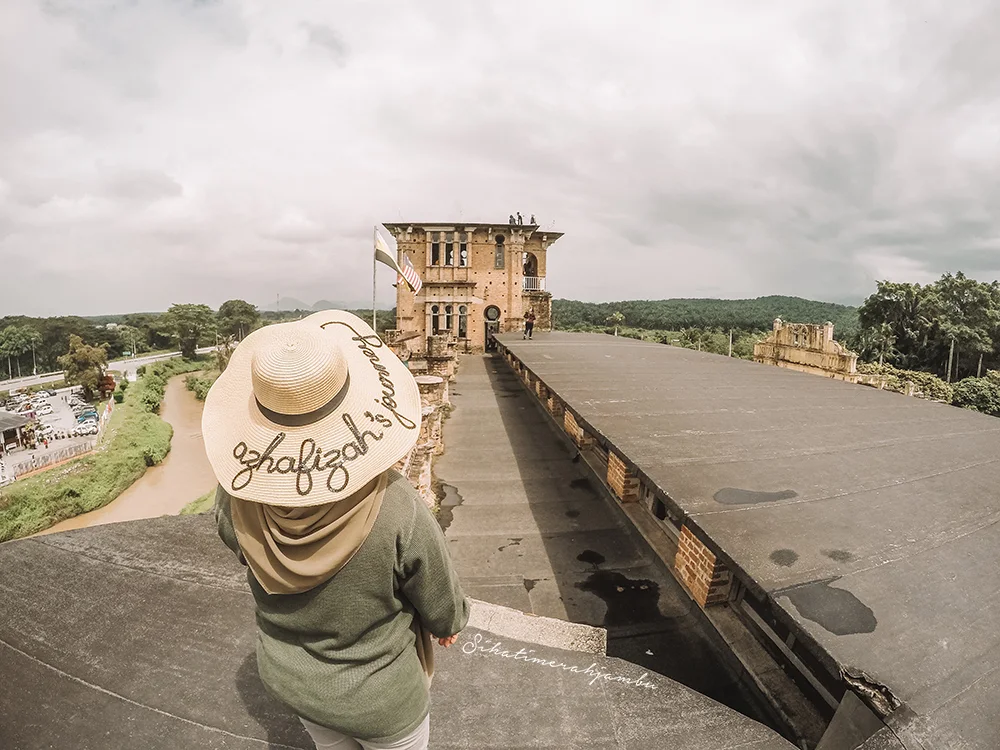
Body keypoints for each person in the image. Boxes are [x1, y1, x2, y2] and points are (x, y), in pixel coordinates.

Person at [202, 311, 469, 750]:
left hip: (296, 684)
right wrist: (447, 620)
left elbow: (238, 545)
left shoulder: (236, 496)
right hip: (383, 701)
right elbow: (439, 594)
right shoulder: (395, 504)